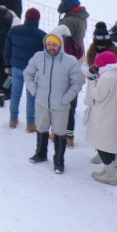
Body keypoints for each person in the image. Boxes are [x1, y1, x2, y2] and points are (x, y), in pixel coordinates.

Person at [25, 30, 84, 173]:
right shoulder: (38, 57)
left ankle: (59, 161)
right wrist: (34, 91)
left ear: (60, 46)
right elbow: (28, 74)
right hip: (42, 103)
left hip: (60, 105)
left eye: (54, 45)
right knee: (41, 127)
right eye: (49, 44)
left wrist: (66, 99)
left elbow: (77, 82)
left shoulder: (70, 61)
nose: (51, 47)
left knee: (59, 132)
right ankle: (40, 154)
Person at [86, 49, 117, 184]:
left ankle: (110, 174)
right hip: (116, 114)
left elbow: (98, 95)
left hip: (104, 114)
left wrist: (92, 82)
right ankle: (113, 165)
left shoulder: (107, 77)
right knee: (112, 140)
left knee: (101, 143)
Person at [4, 8, 43, 130]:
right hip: (32, 71)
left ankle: (13, 119)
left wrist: (7, 65)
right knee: (31, 96)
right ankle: (31, 123)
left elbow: (7, 49)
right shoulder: (42, 35)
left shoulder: (14, 31)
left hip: (16, 67)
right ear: (37, 20)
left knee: (15, 94)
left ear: (25, 18)